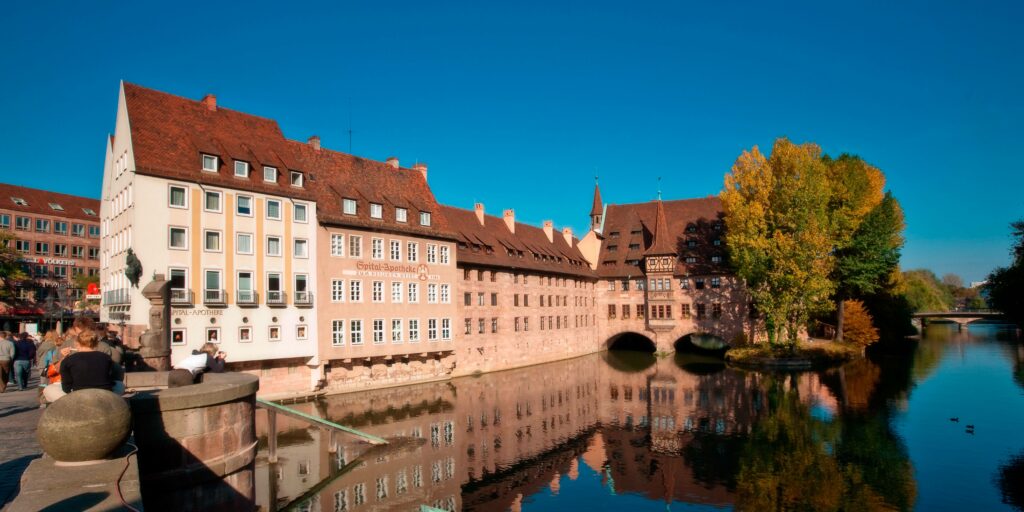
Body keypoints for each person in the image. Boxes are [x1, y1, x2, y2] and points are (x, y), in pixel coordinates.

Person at [51, 331, 123, 400]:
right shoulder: (106, 358)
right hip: (104, 392)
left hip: (78, 393)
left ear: (77, 343)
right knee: (120, 385)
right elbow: (112, 377)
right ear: (96, 344)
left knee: (49, 389)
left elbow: (66, 388)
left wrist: (64, 357)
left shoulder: (68, 360)